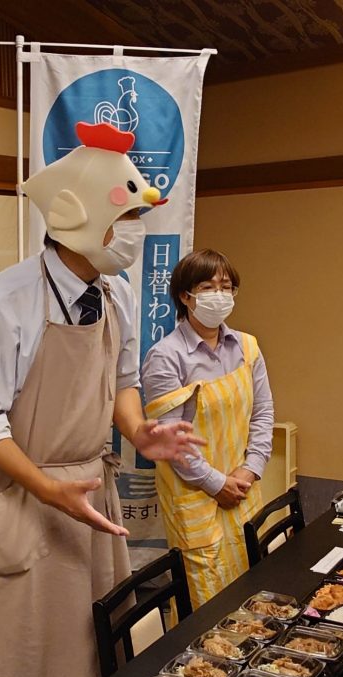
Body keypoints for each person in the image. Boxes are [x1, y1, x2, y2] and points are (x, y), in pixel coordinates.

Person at [0, 121, 203, 677]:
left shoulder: (113, 292)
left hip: (91, 496)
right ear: (79, 219)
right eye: (128, 216)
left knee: (94, 655)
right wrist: (48, 488)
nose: (137, 232)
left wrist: (140, 431)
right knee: (20, 676)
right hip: (26, 505)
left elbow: (119, 381)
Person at [141, 249, 274, 606]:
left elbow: (262, 412)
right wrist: (216, 483)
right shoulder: (166, 357)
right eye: (208, 286)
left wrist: (251, 468)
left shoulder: (247, 346)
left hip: (243, 487)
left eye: (226, 286)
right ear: (186, 296)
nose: (220, 294)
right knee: (206, 597)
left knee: (253, 587)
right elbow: (172, 440)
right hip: (195, 494)